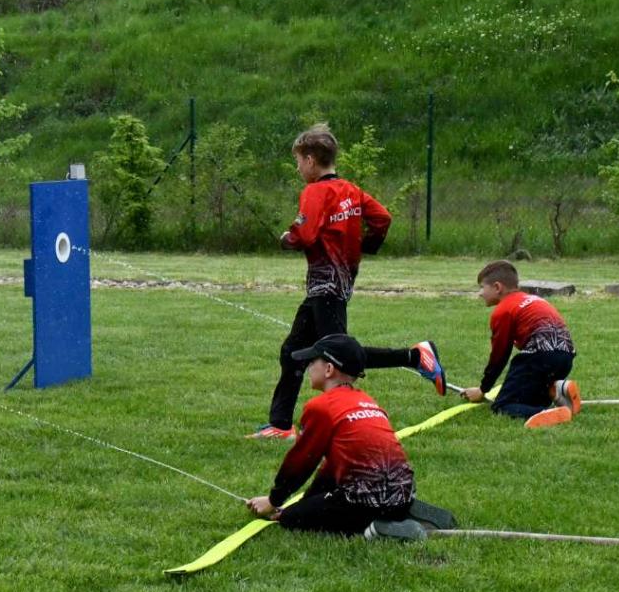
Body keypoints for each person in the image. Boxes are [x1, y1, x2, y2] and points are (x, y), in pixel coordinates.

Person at [248, 123, 445, 440]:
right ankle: (280, 425)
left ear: (311, 160)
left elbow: (305, 234)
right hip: (334, 283)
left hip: (327, 284)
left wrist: (287, 239)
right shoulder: (351, 190)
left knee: (340, 355)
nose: (298, 168)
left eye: (298, 161)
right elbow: (382, 218)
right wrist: (365, 245)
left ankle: (415, 356)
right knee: (292, 351)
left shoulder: (315, 192)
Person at [246, 333, 426, 539]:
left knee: (291, 519)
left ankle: (378, 528)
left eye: (312, 361)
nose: (308, 366)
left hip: (365, 500)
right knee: (305, 508)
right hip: (404, 491)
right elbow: (332, 467)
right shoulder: (366, 400)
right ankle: (400, 512)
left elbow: (301, 461)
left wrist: (273, 501)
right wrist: (308, 501)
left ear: (329, 369)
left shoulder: (321, 407)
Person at [461, 259, 581, 428]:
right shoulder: (534, 299)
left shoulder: (503, 311)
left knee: (503, 406)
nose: (480, 293)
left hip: (539, 357)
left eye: (482, 287)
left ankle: (546, 414)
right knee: (526, 399)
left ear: (497, 287)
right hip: (565, 356)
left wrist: (483, 389)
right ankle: (559, 390)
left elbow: (499, 356)